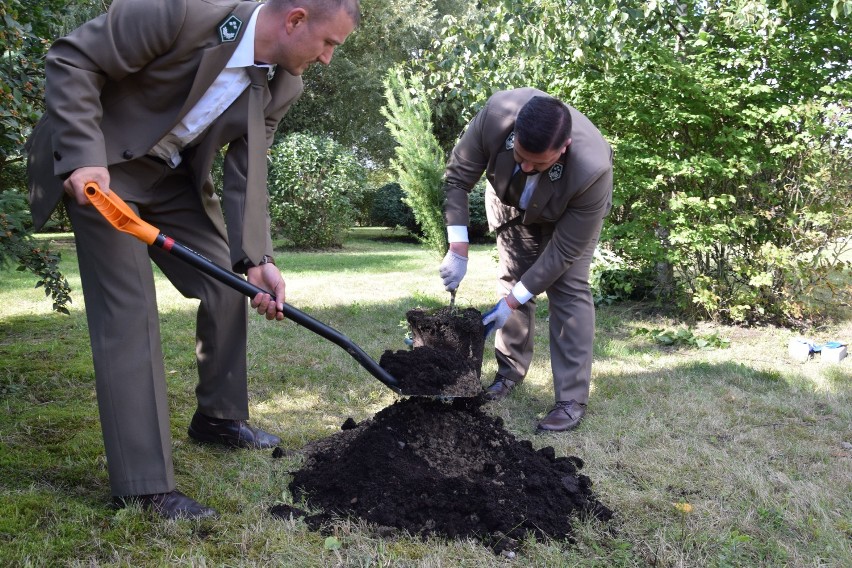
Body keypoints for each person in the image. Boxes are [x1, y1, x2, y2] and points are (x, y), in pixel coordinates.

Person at [25, 0, 360, 519]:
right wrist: (85, 154)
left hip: (171, 179)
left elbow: (248, 170)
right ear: (295, 19)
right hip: (105, 170)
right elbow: (71, 59)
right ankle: (143, 484)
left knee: (230, 285)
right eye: (328, 44)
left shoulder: (282, 85)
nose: (327, 59)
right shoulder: (181, 12)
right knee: (130, 310)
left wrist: (256, 258)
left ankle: (218, 418)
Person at [438, 88, 613, 433]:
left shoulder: (592, 171)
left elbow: (563, 253)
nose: (527, 166)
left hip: (568, 216)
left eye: (540, 162)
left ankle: (570, 399)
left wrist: (512, 302)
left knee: (568, 289)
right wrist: (458, 247)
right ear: (514, 133)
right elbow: (457, 179)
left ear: (564, 149)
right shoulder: (496, 117)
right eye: (520, 156)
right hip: (512, 203)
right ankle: (508, 374)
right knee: (512, 276)